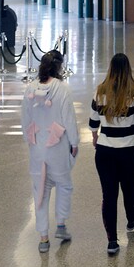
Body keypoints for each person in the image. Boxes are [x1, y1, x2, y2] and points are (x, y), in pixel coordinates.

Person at [90, 53, 134, 255]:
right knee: (129, 188)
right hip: (128, 151)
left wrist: (94, 138)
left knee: (109, 196)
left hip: (105, 151)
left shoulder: (100, 91)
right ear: (128, 70)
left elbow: (93, 122)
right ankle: (131, 218)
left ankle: (112, 242)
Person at [20, 50, 79, 253]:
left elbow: (25, 120)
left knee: (40, 193)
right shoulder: (62, 89)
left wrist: (30, 141)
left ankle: (43, 238)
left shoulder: (30, 89)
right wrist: (75, 142)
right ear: (59, 67)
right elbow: (69, 119)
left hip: (38, 148)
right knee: (64, 185)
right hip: (58, 146)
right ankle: (61, 224)